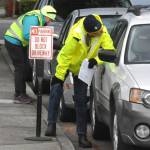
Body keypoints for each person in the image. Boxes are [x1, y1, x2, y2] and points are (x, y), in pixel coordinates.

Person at [45, 14, 115, 148]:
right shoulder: (76, 34)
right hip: (67, 63)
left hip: (83, 68)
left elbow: (110, 50)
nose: (100, 33)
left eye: (100, 30)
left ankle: (82, 136)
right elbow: (65, 56)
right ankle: (51, 124)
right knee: (56, 90)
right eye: (96, 33)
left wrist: (96, 60)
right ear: (88, 33)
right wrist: (59, 76)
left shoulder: (102, 30)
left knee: (81, 100)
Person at [4, 5, 57, 104]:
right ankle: (19, 95)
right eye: (50, 19)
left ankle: (22, 93)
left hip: (20, 43)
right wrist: (47, 41)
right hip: (13, 41)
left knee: (26, 67)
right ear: (45, 15)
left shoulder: (39, 18)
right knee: (20, 68)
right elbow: (27, 35)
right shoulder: (32, 18)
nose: (50, 22)